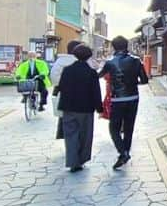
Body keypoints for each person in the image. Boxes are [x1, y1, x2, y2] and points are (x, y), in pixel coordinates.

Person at [98, 35, 149, 169]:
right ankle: (125, 153)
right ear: (126, 46)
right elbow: (144, 80)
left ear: (114, 47)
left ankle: (123, 152)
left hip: (118, 98)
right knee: (128, 127)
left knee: (114, 127)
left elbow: (98, 75)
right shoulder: (137, 60)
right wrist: (132, 82)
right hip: (133, 98)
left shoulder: (110, 62)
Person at [54, 44, 103, 172]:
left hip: (68, 107)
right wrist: (99, 108)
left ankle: (72, 161)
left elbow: (62, 87)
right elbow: (96, 92)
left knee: (70, 135)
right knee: (85, 135)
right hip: (86, 108)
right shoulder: (91, 72)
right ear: (89, 56)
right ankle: (81, 159)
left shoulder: (67, 70)